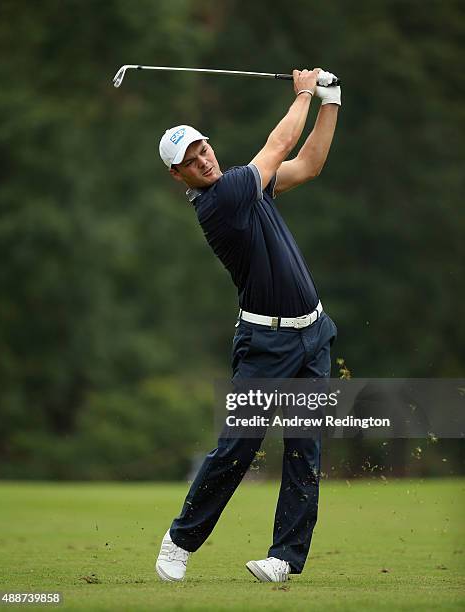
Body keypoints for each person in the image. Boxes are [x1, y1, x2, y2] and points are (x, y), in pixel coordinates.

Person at [155, 68, 340, 583]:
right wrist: (304, 92)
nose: (201, 160)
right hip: (266, 343)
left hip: (313, 334)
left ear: (209, 145)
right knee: (239, 446)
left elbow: (308, 164)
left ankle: (284, 559)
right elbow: (281, 141)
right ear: (179, 177)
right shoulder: (222, 200)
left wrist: (331, 103)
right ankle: (179, 540)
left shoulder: (246, 186)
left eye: (202, 150)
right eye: (189, 162)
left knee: (306, 450)